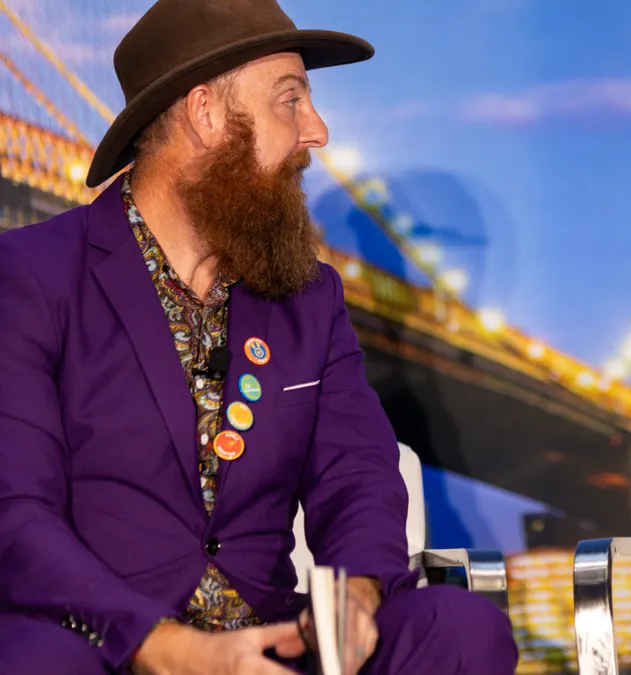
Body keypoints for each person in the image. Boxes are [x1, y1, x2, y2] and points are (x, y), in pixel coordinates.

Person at [0, 0, 519, 673]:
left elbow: (355, 473)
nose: (318, 130)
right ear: (207, 112)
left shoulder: (310, 293)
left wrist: (353, 597)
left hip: (272, 640)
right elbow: (17, 514)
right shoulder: (29, 276)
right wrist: (168, 648)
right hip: (107, 646)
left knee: (460, 626)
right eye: (290, 100)